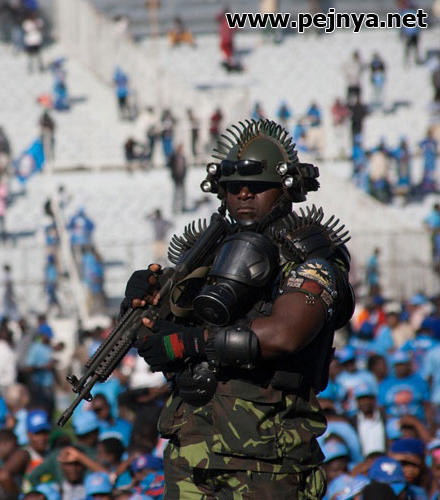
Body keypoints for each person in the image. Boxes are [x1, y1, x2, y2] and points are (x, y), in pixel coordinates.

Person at [127, 119, 354, 498]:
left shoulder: (310, 256)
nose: (244, 194)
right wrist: (139, 303)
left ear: (285, 188)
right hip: (191, 454)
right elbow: (154, 332)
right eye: (234, 187)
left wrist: (189, 342)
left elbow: (284, 335)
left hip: (269, 462)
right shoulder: (204, 254)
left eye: (258, 186)